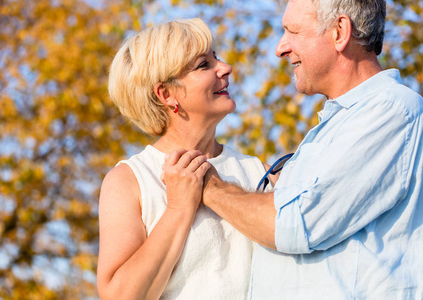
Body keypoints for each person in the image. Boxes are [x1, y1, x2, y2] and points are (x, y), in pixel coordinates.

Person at [168, 0, 423, 299]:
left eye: (293, 31)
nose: (281, 48)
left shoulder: (390, 110)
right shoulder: (340, 124)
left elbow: (293, 224)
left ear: (340, 32)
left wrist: (208, 186)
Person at [96, 18, 268, 299]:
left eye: (217, 58)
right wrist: (178, 208)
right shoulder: (130, 181)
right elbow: (119, 295)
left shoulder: (257, 171)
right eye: (204, 65)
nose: (225, 68)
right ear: (166, 94)